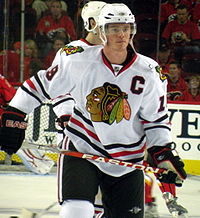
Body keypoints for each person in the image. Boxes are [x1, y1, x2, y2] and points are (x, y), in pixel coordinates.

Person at [0, 3, 187, 218]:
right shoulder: (78, 60)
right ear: (101, 31)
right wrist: (15, 116)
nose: (121, 34)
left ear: (132, 31)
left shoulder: (150, 71)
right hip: (83, 147)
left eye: (125, 28)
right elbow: (40, 86)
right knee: (77, 212)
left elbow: (155, 120)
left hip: (128, 160)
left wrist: (162, 153)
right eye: (114, 28)